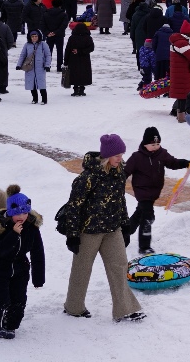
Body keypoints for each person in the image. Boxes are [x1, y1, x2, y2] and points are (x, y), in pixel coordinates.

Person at [61, 134, 145, 322]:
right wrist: (72, 235)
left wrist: (125, 224)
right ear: (107, 156)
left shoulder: (119, 172)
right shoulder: (88, 177)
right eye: (117, 155)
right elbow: (74, 206)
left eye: (122, 154)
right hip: (88, 231)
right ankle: (74, 307)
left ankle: (125, 309)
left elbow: (120, 200)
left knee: (120, 265)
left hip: (112, 229)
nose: (120, 159)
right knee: (82, 268)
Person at [0, 187, 45, 339]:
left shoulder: (31, 227)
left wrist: (38, 278)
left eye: (25, 212)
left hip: (20, 267)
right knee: (0, 298)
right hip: (0, 266)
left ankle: (10, 326)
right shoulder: (0, 226)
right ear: (10, 212)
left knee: (19, 299)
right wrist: (13, 234)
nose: (22, 216)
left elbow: (38, 252)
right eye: (18, 212)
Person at [123, 127, 190, 254]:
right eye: (152, 144)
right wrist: (119, 182)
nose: (155, 146)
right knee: (147, 217)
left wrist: (184, 163)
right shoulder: (136, 157)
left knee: (140, 214)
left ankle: (124, 233)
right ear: (145, 144)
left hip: (154, 191)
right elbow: (125, 171)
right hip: (142, 192)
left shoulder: (162, 154)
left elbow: (173, 162)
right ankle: (144, 246)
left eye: (158, 144)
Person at [167, 24, 190, 112]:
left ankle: (179, 113)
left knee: (181, 95)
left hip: (179, 70)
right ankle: (181, 115)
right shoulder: (182, 43)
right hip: (182, 71)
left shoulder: (178, 41)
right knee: (183, 94)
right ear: (188, 32)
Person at [16, 30, 51, 104]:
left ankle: (44, 99)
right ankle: (35, 98)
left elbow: (48, 55)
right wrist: (19, 64)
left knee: (41, 83)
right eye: (33, 36)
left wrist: (47, 65)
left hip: (40, 67)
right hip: (29, 67)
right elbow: (23, 55)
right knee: (32, 84)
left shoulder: (43, 44)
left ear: (39, 37)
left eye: (36, 36)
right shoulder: (27, 45)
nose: (34, 38)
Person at [64, 23, 95, 97]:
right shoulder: (88, 38)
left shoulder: (72, 38)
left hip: (73, 59)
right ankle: (81, 89)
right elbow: (91, 48)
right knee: (83, 74)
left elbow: (67, 49)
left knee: (74, 74)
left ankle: (75, 90)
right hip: (84, 59)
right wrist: (82, 51)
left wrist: (65, 61)